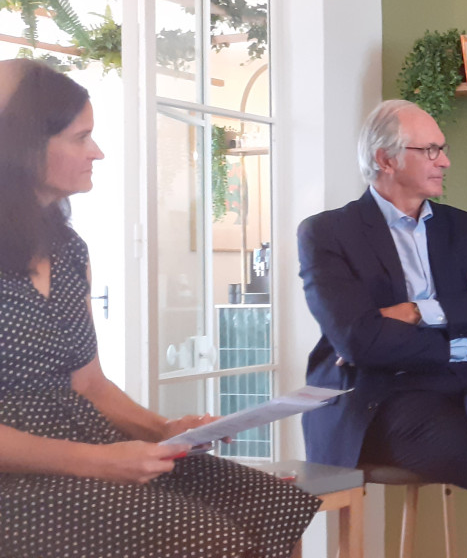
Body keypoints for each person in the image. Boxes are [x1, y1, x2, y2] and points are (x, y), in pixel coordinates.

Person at [0, 59, 320, 557]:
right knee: (206, 539)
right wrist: (100, 462)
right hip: (20, 478)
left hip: (88, 445)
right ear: (25, 147)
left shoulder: (68, 251)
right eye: (81, 138)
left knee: (273, 504)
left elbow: (90, 385)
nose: (98, 152)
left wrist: (165, 431)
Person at [297, 99, 467, 558]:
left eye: (442, 148)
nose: (446, 161)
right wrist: (461, 326)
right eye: (431, 150)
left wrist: (421, 313)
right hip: (389, 393)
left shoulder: (464, 227)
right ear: (386, 159)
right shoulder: (328, 234)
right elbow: (359, 341)